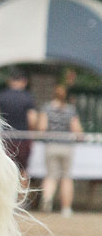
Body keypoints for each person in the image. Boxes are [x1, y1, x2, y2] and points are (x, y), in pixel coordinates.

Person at [38, 84, 84, 216]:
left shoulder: (47, 108)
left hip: (51, 145)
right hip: (66, 146)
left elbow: (42, 128)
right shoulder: (70, 110)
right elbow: (77, 130)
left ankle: (47, 198)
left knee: (51, 175)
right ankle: (66, 208)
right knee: (66, 177)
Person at [0, 70, 37, 190]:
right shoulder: (28, 97)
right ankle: (21, 202)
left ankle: (5, 195)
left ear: (10, 81)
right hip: (23, 138)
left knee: (4, 169)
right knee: (23, 170)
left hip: (6, 138)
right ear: (24, 82)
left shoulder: (1, 96)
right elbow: (32, 119)